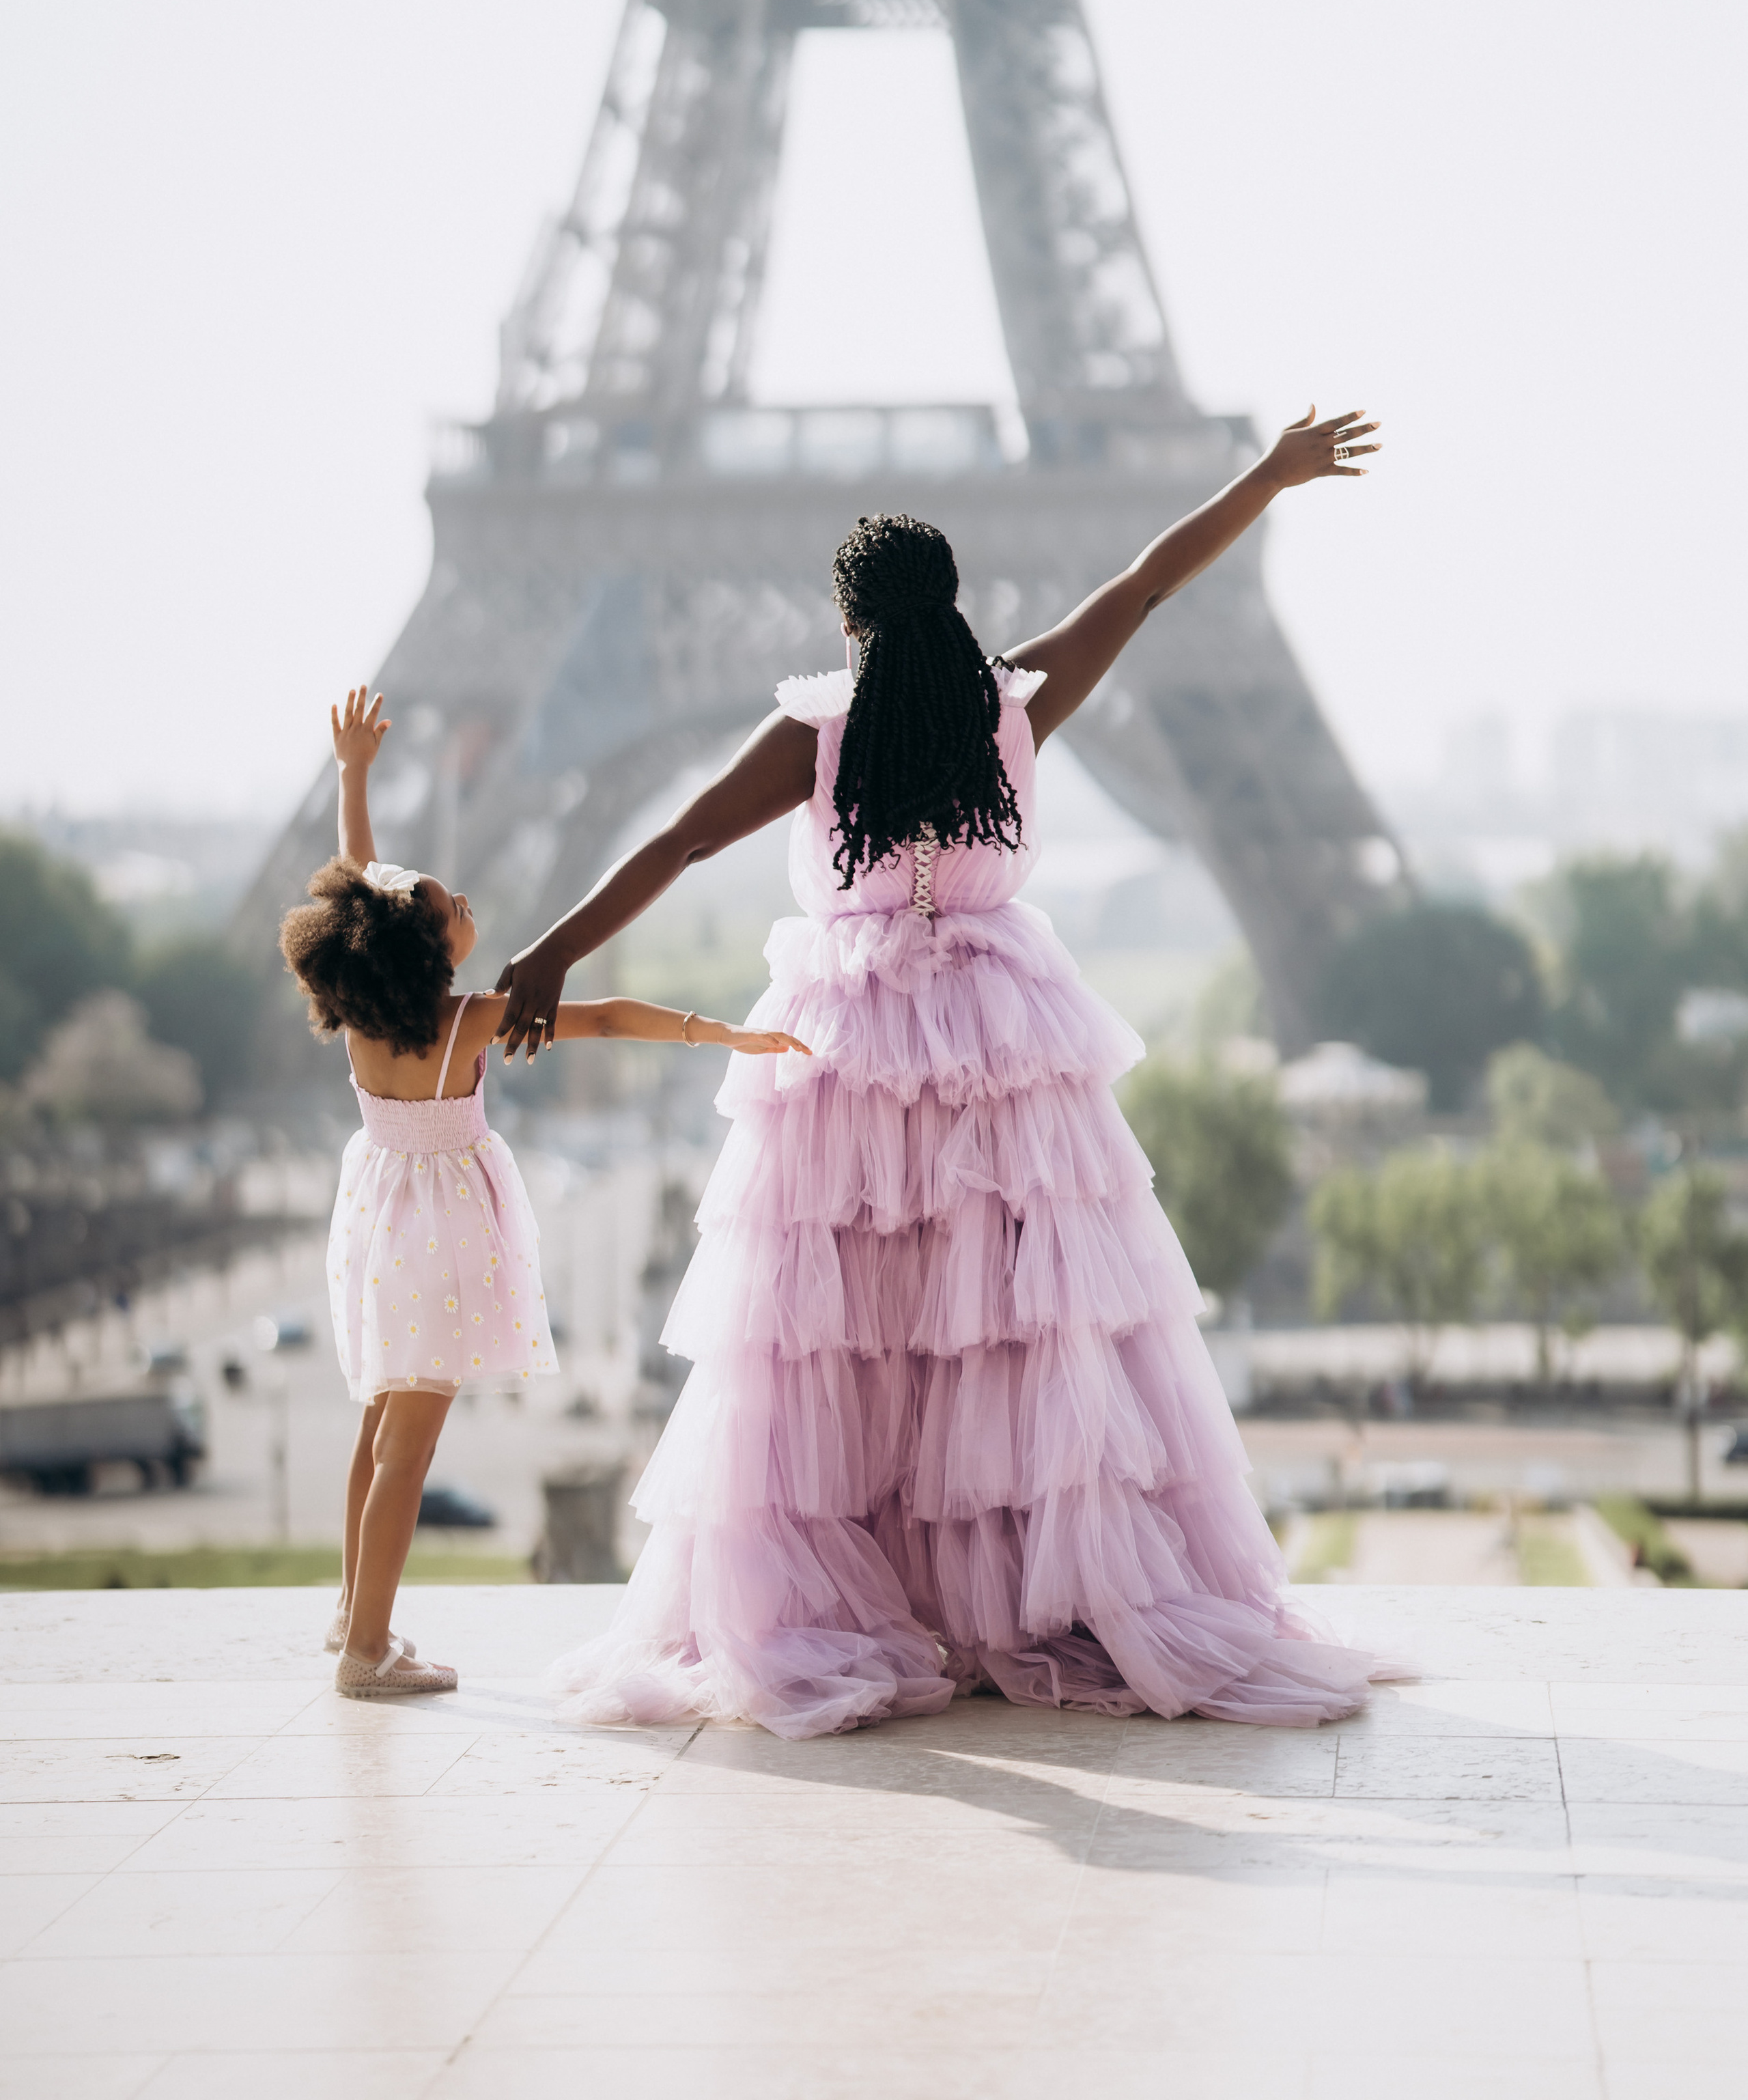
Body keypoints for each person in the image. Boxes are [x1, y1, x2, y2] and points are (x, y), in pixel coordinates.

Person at [501, 407, 1392, 1738]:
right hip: (1001, 1039)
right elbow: (1143, 583)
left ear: (847, 618)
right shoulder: (1011, 707)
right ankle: (1013, 1602)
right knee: (1001, 1339)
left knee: (844, 1340)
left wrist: (547, 955)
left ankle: (876, 1595)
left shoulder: (811, 736)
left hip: (847, 1047)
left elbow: (679, 842)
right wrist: (1262, 476)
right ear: (953, 605)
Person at [279, 686, 809, 1700]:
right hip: (435, 1237)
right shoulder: (464, 1021)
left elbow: (358, 887)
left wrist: (354, 776)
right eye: (453, 908)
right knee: (408, 1449)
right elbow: (602, 1019)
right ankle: (365, 1653)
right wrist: (720, 1032)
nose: (467, 903)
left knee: (374, 1431)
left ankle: (355, 1614)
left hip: (376, 1223)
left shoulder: (363, 1005)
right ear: (429, 951)